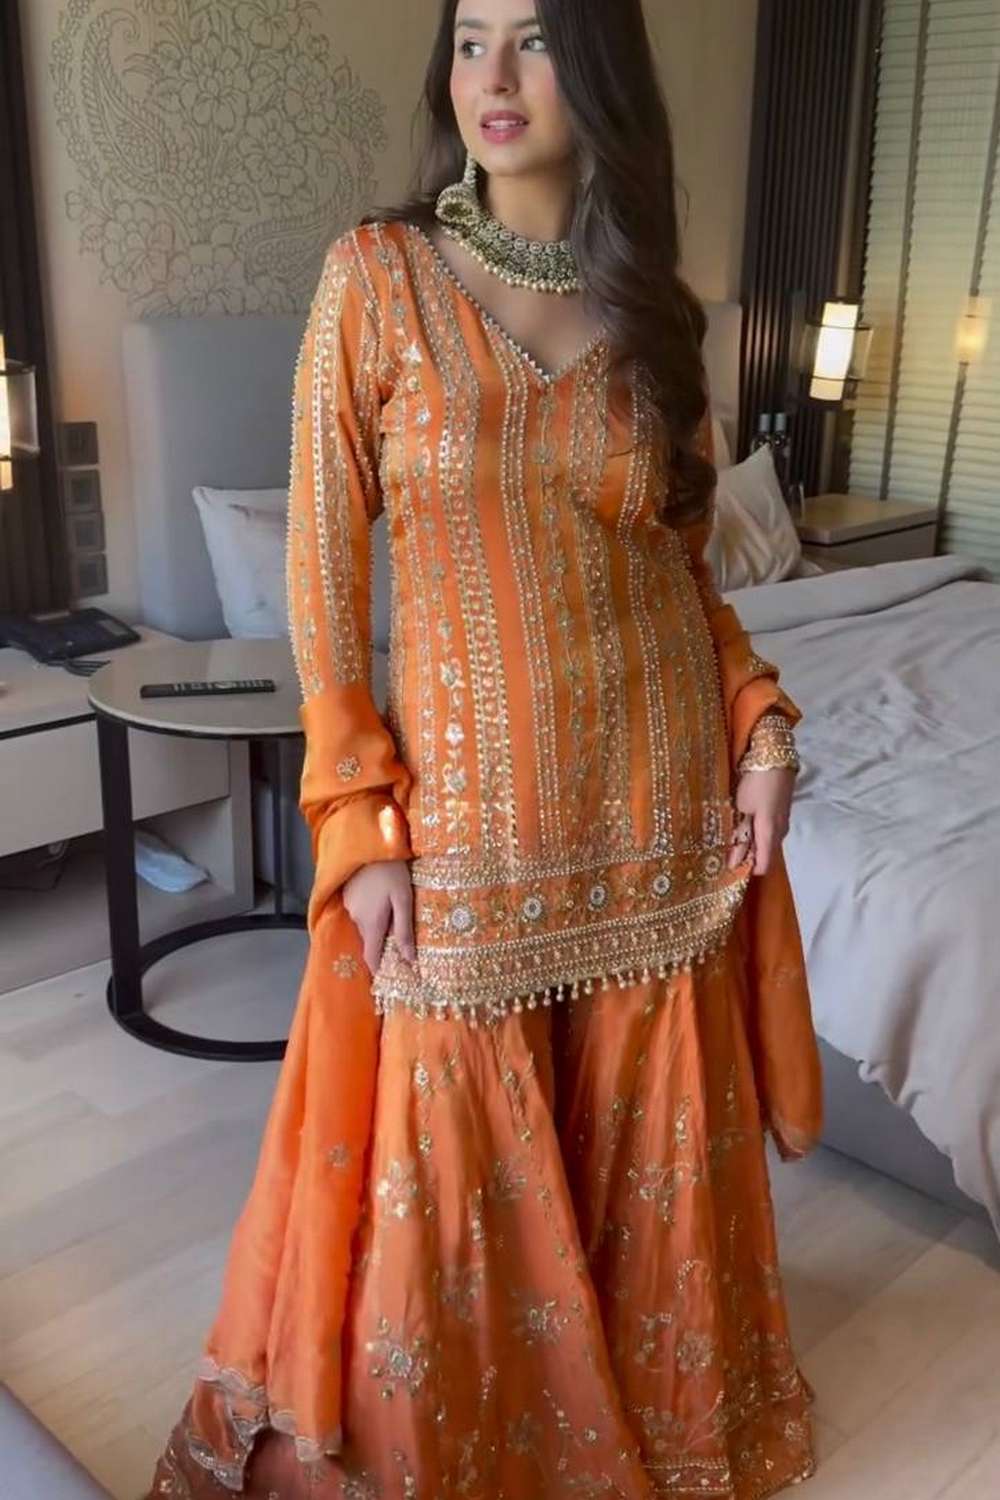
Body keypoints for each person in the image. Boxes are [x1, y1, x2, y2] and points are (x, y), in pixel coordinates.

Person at [146, 0, 822, 1495]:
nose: (492, 78)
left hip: (652, 818)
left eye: (534, 40)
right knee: (441, 1176)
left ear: (603, 70)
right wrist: (357, 818)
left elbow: (684, 574)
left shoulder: (655, 312)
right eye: (469, 40)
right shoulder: (376, 279)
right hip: (466, 833)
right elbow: (324, 579)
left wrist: (761, 724)